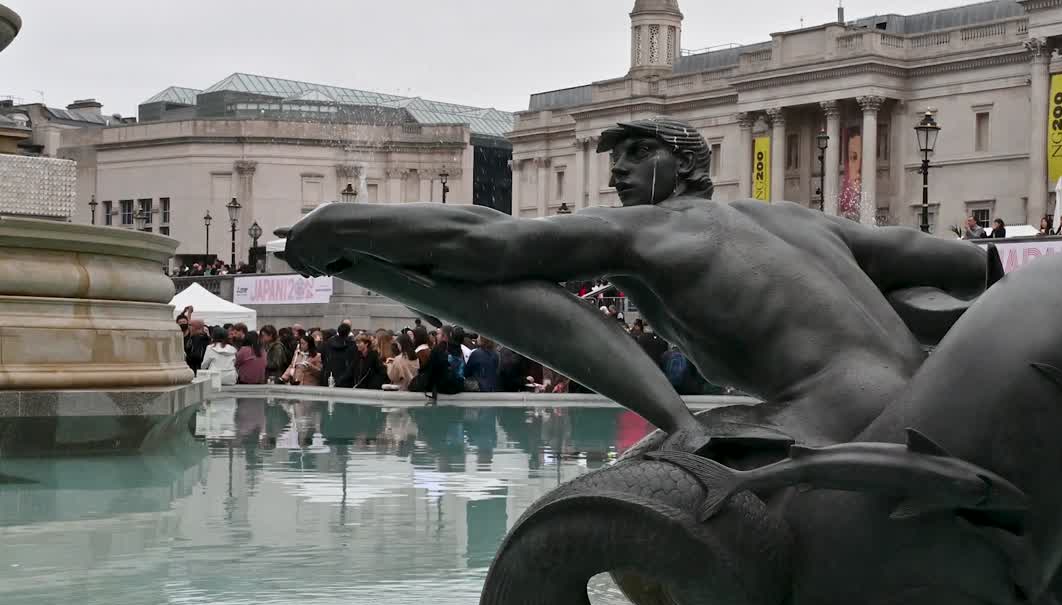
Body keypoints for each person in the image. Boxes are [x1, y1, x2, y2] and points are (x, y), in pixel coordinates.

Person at [278, 116, 997, 442]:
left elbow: (483, 243)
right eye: (612, 156)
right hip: (929, 401)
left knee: (647, 476)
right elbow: (952, 258)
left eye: (635, 153)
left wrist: (343, 222)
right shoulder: (794, 220)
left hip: (837, 423)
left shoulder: (652, 231)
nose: (616, 170)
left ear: (684, 166)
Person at [322, 322, 358, 387]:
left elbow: (324, 359)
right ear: (348, 332)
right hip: (346, 378)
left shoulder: (328, 343)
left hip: (330, 375)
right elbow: (353, 362)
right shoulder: (352, 345)